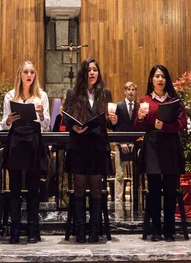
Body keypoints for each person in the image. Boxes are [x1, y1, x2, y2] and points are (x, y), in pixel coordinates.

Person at [63, 57, 117, 243]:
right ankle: (79, 230)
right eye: (88, 70)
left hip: (97, 147)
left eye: (95, 70)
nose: (92, 73)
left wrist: (113, 121)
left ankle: (94, 230)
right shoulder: (73, 93)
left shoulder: (105, 93)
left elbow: (109, 122)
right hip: (79, 146)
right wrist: (74, 127)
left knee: (95, 190)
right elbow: (66, 119)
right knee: (78, 190)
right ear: (83, 74)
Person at [135, 65, 186, 242]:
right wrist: (141, 117)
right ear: (151, 79)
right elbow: (138, 125)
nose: (160, 79)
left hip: (170, 144)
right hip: (153, 146)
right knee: (154, 190)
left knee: (171, 190)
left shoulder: (174, 100)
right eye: (157, 76)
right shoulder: (145, 99)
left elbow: (182, 124)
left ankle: (169, 230)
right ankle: (155, 230)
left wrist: (165, 126)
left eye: (163, 76)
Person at [0, 61, 50, 244]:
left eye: (32, 72)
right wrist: (9, 120)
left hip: (34, 140)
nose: (29, 75)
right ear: (20, 74)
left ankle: (32, 230)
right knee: (14, 187)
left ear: (35, 75)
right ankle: (14, 230)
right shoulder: (10, 95)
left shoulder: (41, 95)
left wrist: (43, 115)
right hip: (16, 140)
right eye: (25, 72)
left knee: (33, 188)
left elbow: (47, 124)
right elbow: (3, 122)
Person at [112, 81, 138, 220]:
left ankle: (136, 201)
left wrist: (136, 143)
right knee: (119, 175)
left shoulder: (139, 107)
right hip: (121, 144)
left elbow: (140, 127)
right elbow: (114, 126)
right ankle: (118, 204)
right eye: (129, 89)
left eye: (133, 89)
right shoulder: (119, 106)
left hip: (135, 145)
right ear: (124, 91)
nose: (131, 92)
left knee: (136, 174)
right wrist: (121, 142)